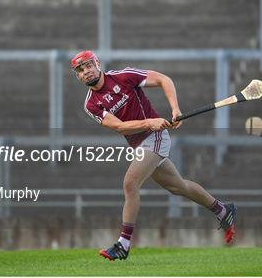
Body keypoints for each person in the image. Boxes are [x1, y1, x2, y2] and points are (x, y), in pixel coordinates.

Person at [71, 50, 237, 261]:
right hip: (139, 142)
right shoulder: (91, 104)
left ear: (97, 63)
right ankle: (223, 210)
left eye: (88, 66)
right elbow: (120, 127)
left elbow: (162, 79)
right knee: (178, 186)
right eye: (80, 70)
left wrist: (175, 109)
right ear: (77, 76)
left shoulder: (124, 76)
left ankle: (123, 244)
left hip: (155, 137)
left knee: (130, 184)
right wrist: (149, 122)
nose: (86, 72)